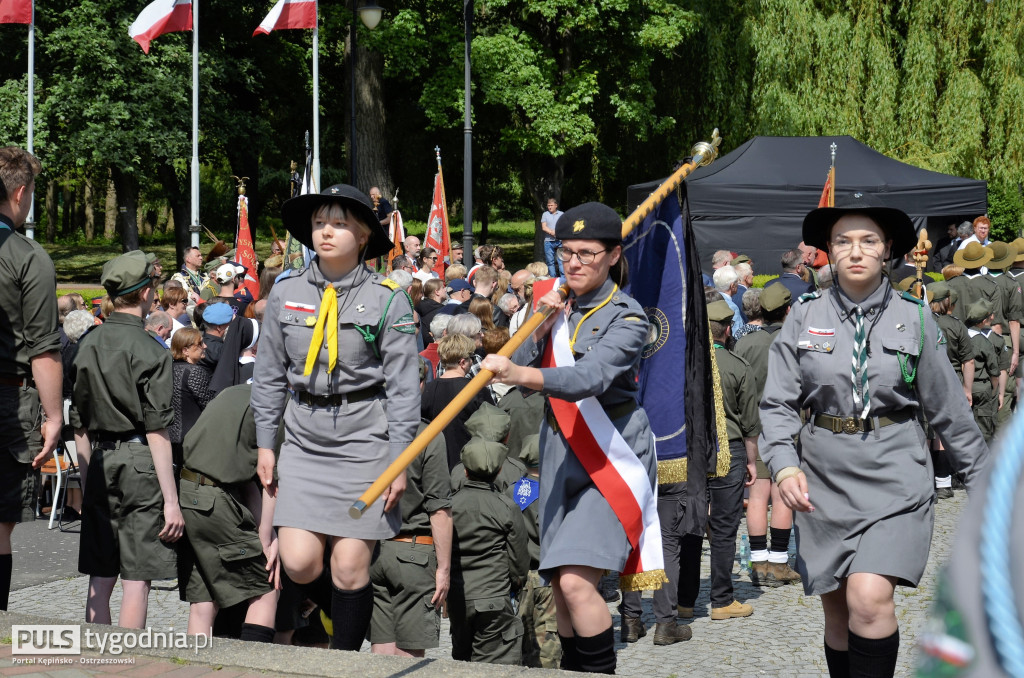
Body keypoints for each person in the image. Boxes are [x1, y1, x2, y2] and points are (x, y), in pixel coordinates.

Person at [759, 194, 989, 678]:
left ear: (887, 250)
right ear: (828, 249)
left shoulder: (916, 316)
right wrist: (783, 464)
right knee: (839, 613)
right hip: (822, 479)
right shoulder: (803, 316)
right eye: (843, 241)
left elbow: (949, 412)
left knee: (869, 596)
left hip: (895, 474)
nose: (856, 250)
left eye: (868, 240)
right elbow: (777, 404)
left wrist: (991, 488)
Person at [481, 202, 661, 674]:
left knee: (579, 583)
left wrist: (522, 372)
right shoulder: (551, 303)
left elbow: (590, 377)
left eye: (586, 253)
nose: (574, 262)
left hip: (610, 449)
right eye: (566, 252)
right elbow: (507, 354)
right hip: (560, 445)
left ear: (613, 255)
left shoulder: (628, 317)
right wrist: (538, 317)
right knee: (560, 586)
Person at [251, 183, 418, 651]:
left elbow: (405, 390)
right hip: (304, 438)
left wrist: (399, 460)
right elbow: (267, 378)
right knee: (299, 560)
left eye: (340, 224)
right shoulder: (286, 293)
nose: (326, 232)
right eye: (320, 222)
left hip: (366, 439)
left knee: (349, 566)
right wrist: (267, 443)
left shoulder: (388, 298)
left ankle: (342, 661)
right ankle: (329, 620)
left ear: (364, 236)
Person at [70, 251, 184, 628]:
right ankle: (126, 663)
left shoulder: (87, 343)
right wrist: (172, 500)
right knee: (137, 578)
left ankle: (97, 658)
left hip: (100, 459)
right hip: (139, 462)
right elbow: (157, 429)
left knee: (101, 574)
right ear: (148, 293)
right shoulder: (152, 349)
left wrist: (86, 482)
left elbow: (80, 425)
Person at [0, 147, 63, 610]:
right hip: (8, 398)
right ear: (19, 193)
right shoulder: (27, 256)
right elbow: (43, 348)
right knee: (0, 524)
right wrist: (55, 415)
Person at [177, 384, 279, 642]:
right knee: (265, 589)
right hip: (216, 499)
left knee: (204, 599)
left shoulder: (231, 392)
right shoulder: (278, 403)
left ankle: (191, 668)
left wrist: (261, 532)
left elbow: (245, 476)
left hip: (188, 492)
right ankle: (250, 670)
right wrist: (267, 539)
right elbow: (270, 481)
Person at [679, 300, 759, 620]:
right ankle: (722, 600)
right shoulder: (738, 365)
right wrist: (752, 463)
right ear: (727, 330)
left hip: (692, 453)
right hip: (732, 450)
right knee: (725, 528)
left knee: (691, 527)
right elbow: (751, 423)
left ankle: (684, 601)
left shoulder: (685, 364)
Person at [369, 359, 452, 658]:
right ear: (419, 387)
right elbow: (439, 508)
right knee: (408, 658)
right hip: (413, 552)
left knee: (381, 649)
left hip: (374, 548)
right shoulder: (428, 435)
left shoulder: (367, 429)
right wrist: (444, 568)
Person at [448, 437, 529, 664]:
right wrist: (517, 583)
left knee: (462, 661)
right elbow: (518, 560)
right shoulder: (506, 507)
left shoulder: (450, 506)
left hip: (458, 598)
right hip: (493, 596)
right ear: (500, 470)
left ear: (464, 471)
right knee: (495, 665)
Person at [926, 282, 974, 499]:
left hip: (922, 379)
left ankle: (926, 482)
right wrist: (967, 388)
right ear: (947, 301)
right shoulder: (956, 325)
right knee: (942, 433)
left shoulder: (920, 320)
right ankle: (943, 483)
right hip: (949, 379)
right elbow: (968, 361)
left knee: (924, 431)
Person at [540, 197, 564, 278]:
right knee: (550, 262)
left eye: (551, 205)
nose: (549, 207)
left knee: (561, 260)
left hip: (560, 241)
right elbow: (544, 227)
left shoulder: (561, 214)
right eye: (548, 205)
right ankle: (553, 279)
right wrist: (552, 232)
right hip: (548, 241)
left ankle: (564, 279)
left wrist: (557, 232)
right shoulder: (545, 214)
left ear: (556, 205)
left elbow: (564, 226)